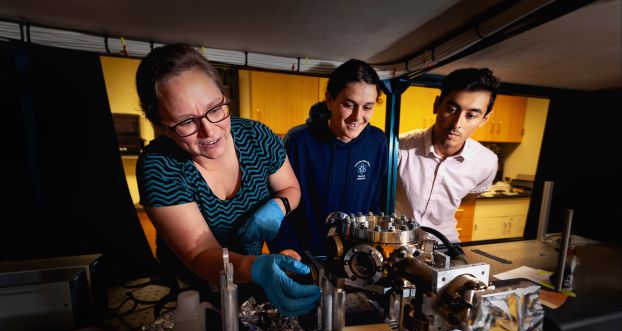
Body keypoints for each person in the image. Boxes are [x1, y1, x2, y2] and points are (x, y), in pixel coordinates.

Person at [135, 43, 320, 316]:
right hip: (189, 290)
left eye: (214, 108)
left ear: (224, 95)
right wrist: (256, 267)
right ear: (162, 126)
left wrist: (278, 207)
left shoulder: (258, 137)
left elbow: (290, 188)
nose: (209, 131)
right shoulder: (159, 166)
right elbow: (200, 254)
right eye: (186, 122)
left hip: (252, 274)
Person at [268, 59, 388, 256]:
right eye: (349, 105)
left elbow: (379, 204)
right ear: (329, 99)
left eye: (367, 107)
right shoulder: (299, 141)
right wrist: (286, 248)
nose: (357, 117)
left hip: (359, 259)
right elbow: (279, 201)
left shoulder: (378, 142)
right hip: (303, 258)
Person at [395, 68, 500, 243]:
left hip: (446, 244)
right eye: (451, 109)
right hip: (397, 242)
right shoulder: (398, 147)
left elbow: (467, 198)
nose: (457, 124)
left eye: (471, 115)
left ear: (484, 120)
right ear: (437, 105)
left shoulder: (487, 162)